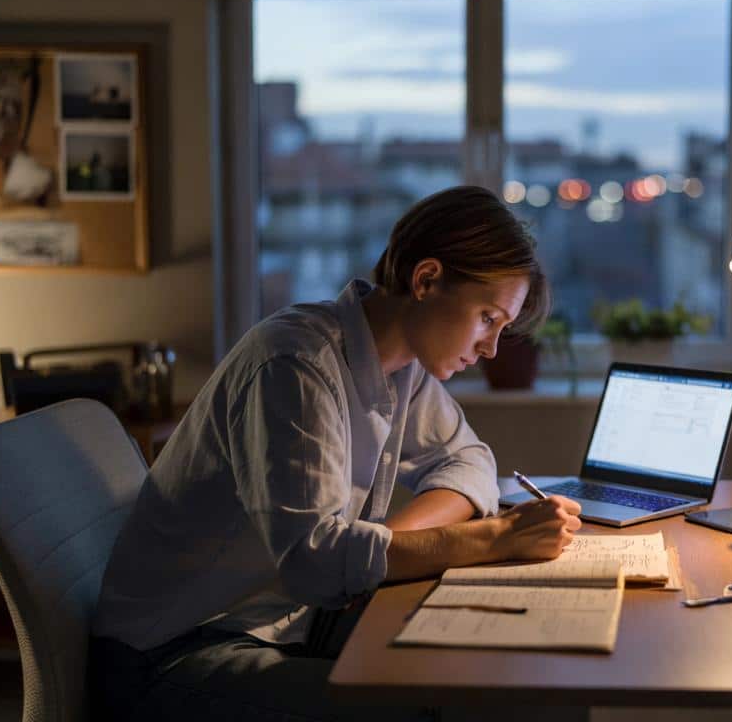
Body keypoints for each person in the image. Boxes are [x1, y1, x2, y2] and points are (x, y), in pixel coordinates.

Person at [89, 185, 583, 721]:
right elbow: (316, 562)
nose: (491, 347)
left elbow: (470, 461)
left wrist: (387, 547)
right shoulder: (295, 365)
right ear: (426, 280)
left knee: (502, 673)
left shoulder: (401, 367)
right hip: (177, 651)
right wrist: (493, 539)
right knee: (428, 704)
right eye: (488, 318)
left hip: (291, 617)